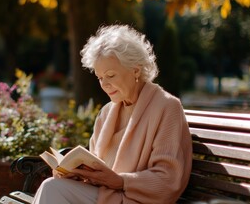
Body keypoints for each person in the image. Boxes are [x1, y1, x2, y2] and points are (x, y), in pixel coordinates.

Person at [32, 24, 192, 204]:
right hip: (106, 196)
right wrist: (75, 175)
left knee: (52, 189)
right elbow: (96, 169)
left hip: (134, 199)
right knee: (53, 185)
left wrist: (122, 181)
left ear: (136, 70)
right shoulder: (107, 112)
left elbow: (168, 180)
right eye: (100, 77)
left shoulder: (167, 107)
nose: (104, 84)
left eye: (111, 75)